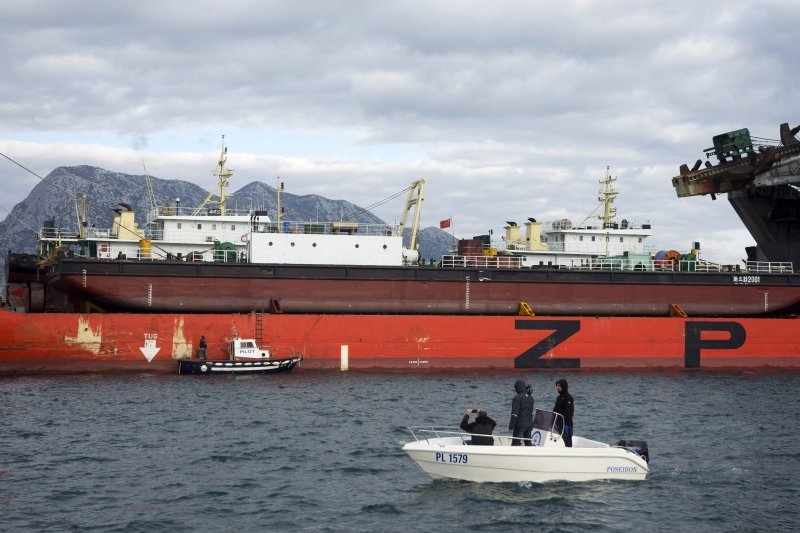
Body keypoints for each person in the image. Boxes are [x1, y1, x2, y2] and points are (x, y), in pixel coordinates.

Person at [508, 379, 534, 446]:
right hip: (529, 424)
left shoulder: (517, 398)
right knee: (528, 443)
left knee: (515, 444)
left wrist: (511, 426)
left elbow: (514, 414)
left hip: (520, 425)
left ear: (517, 388)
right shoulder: (531, 398)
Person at [553, 378, 574, 447]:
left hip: (566, 424)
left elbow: (570, 413)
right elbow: (555, 410)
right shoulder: (558, 398)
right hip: (558, 424)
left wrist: (561, 421)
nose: (557, 387)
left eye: (559, 386)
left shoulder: (569, 398)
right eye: (557, 386)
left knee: (567, 440)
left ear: (563, 386)